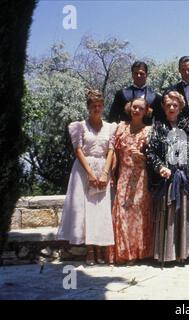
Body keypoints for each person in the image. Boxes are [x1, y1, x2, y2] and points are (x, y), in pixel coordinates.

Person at [57, 89, 116, 266]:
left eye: (99, 106)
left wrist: (105, 173)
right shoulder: (79, 126)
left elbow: (111, 150)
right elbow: (78, 151)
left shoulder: (110, 127)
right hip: (84, 171)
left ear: (103, 106)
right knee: (88, 210)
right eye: (93, 106)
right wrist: (90, 173)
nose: (97, 109)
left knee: (101, 209)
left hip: (103, 168)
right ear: (88, 107)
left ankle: (102, 248)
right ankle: (90, 250)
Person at [145, 91, 189, 265]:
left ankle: (182, 254)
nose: (172, 108)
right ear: (164, 107)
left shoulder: (188, 127)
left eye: (175, 105)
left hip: (182, 177)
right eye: (168, 105)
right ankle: (166, 255)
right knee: (166, 216)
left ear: (180, 107)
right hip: (165, 178)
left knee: (182, 216)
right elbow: (150, 152)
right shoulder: (158, 126)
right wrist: (160, 167)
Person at [107, 98, 154, 265]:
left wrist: (143, 156)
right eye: (134, 107)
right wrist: (110, 172)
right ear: (129, 108)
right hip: (124, 176)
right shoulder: (120, 128)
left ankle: (141, 253)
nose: (136, 110)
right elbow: (112, 151)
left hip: (141, 177)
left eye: (140, 108)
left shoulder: (149, 130)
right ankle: (126, 253)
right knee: (123, 213)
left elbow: (154, 157)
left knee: (138, 214)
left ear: (145, 111)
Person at [108, 61, 163, 125]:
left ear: (147, 75)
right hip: (125, 132)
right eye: (136, 73)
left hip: (147, 133)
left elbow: (159, 120)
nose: (138, 76)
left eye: (141, 73)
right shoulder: (121, 94)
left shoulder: (156, 97)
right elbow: (113, 118)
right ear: (132, 74)